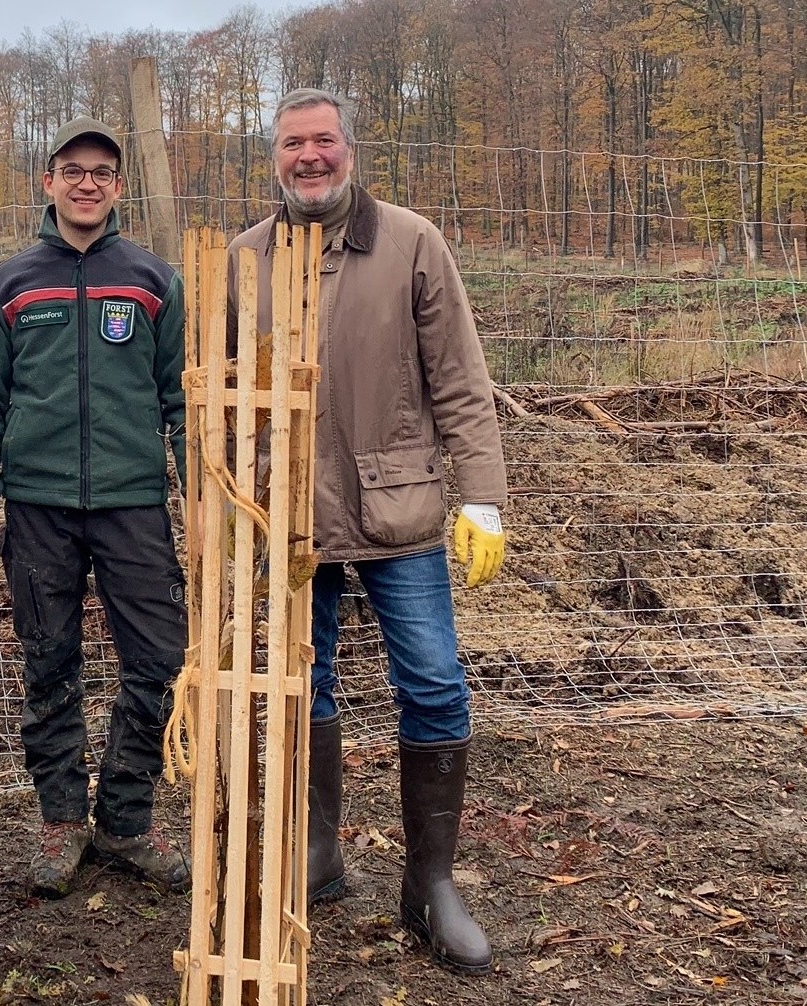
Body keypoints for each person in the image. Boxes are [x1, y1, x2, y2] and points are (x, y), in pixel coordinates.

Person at [227, 88, 508, 975]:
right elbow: (225, 393)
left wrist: (483, 495)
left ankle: (431, 885)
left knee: (431, 682)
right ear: (272, 157)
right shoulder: (245, 258)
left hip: (401, 507)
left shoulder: (411, 243)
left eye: (322, 141)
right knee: (302, 686)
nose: (308, 157)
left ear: (349, 148)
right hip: (291, 513)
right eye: (291, 144)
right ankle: (320, 854)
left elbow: (460, 378)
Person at [0, 116, 190, 898]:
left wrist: (201, 491)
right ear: (48, 181)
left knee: (158, 657)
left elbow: (180, 399)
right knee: (48, 659)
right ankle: (61, 820)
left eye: (101, 171)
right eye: (71, 169)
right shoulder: (10, 285)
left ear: (118, 187)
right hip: (39, 507)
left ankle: (124, 817)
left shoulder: (155, 282)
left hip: (132, 505)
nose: (86, 182)